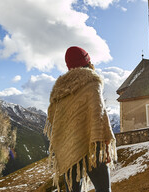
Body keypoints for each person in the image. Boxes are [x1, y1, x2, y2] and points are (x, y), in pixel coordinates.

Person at [44, 46, 117, 192]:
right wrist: (106, 147)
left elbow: (54, 118)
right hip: (93, 146)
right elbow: (99, 116)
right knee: (104, 189)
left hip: (69, 147)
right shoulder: (92, 82)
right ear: (87, 61)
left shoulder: (59, 90)